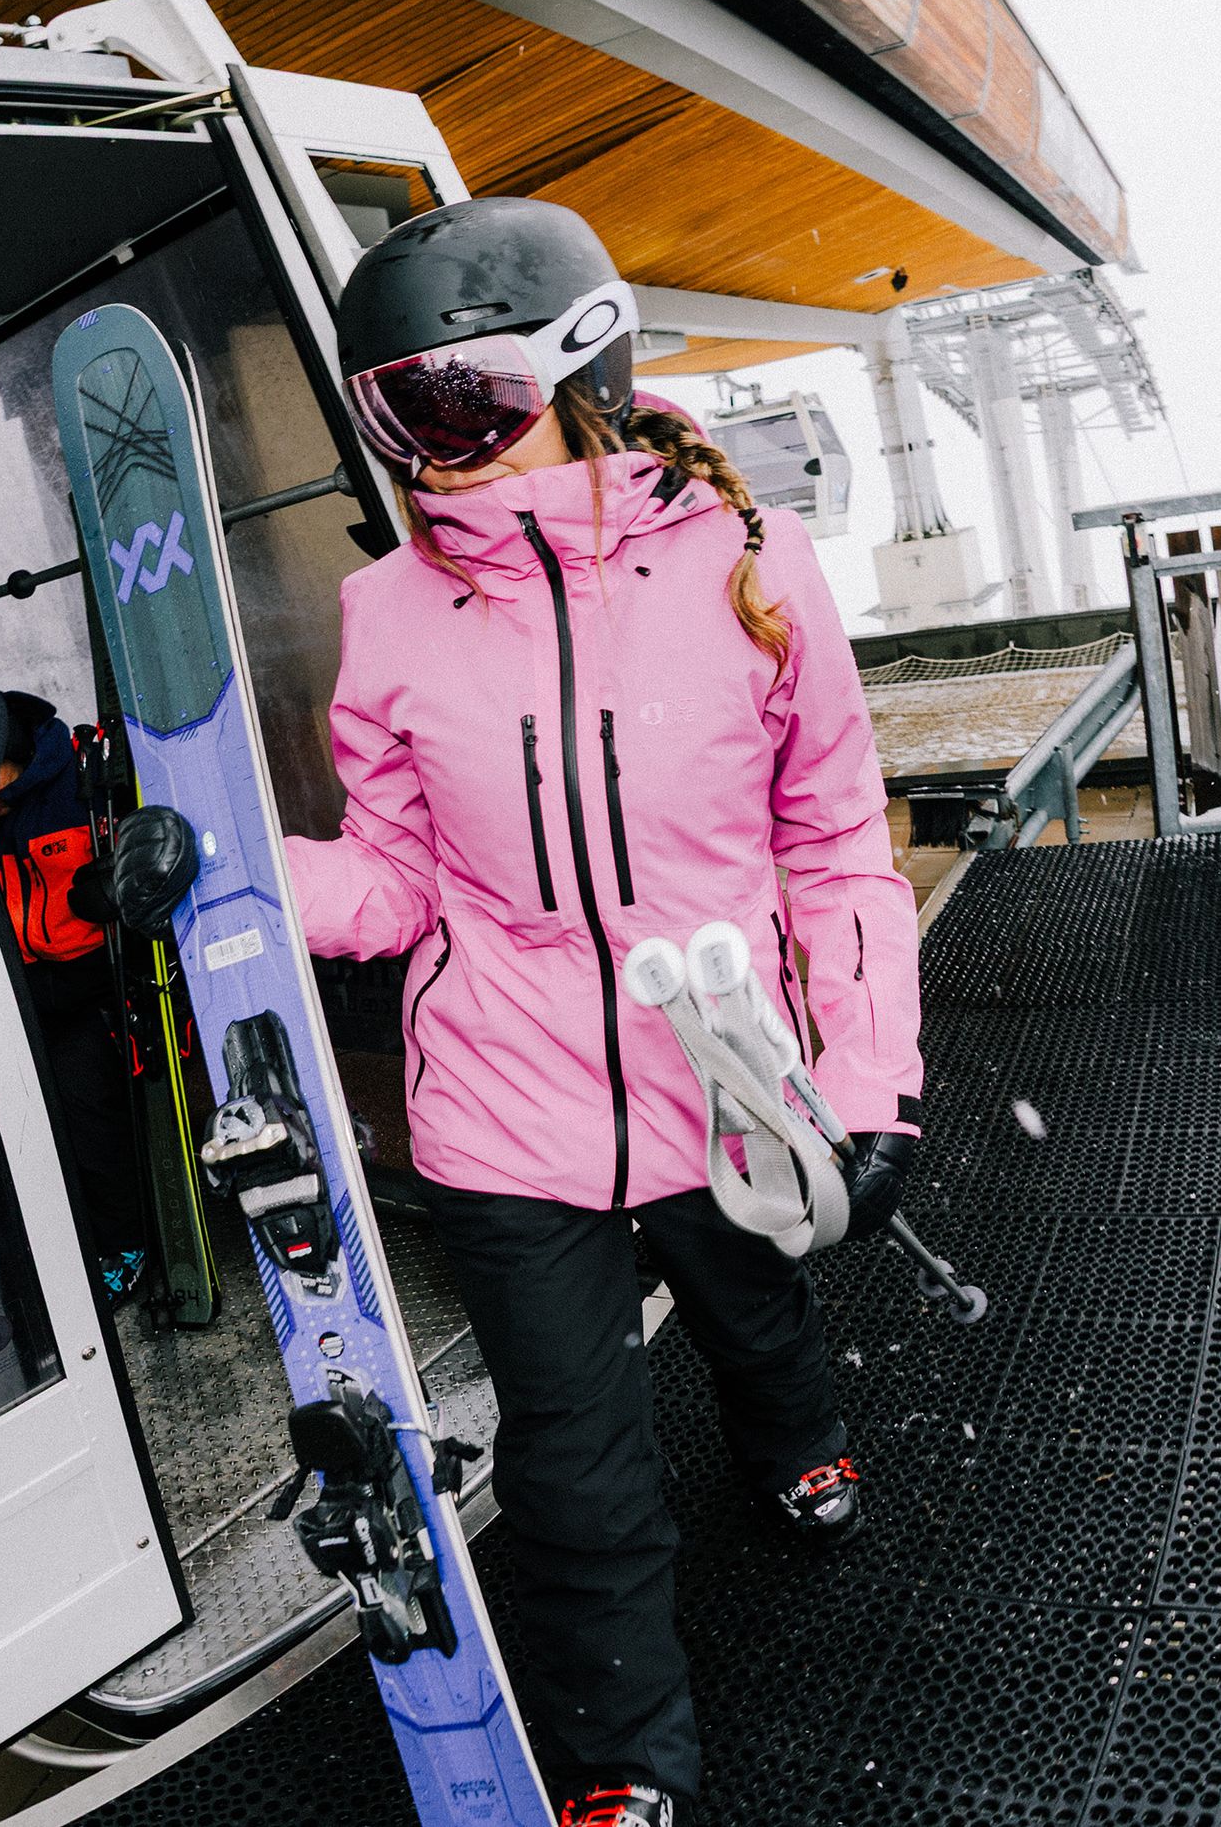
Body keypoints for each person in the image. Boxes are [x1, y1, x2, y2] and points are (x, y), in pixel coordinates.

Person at [281, 198, 923, 1827]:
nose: (430, 451)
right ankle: (628, 1760)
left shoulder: (751, 567)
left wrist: (864, 1077)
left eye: (458, 403)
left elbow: (834, 841)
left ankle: (793, 1434)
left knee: (750, 1312)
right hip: (505, 1110)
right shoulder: (390, 613)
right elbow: (391, 887)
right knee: (571, 1474)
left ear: (578, 370)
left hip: (722, 1075)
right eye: (391, 411)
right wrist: (230, 875)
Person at [0, 674, 197, 1304]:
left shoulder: (87, 781)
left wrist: (122, 883)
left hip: (99, 977)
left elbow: (174, 845)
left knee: (88, 1110)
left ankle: (126, 1242)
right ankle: (35, 1241)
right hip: (24, 979)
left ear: (2, 754)